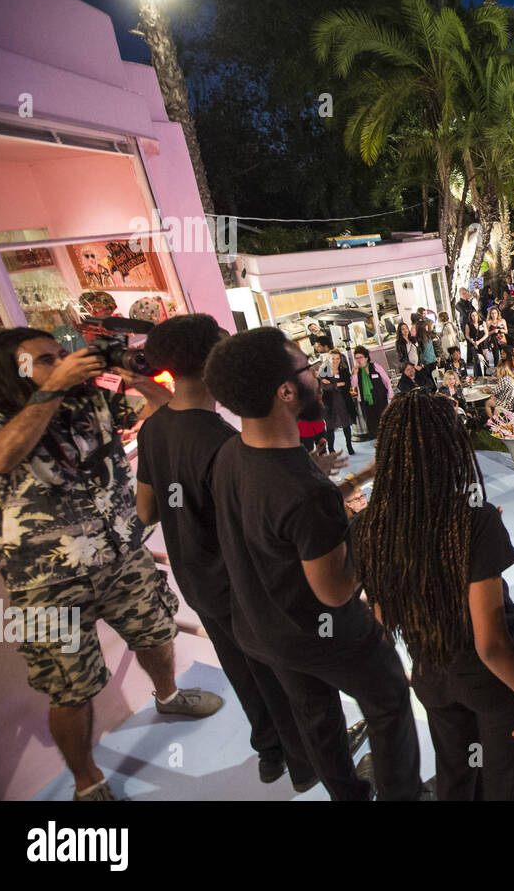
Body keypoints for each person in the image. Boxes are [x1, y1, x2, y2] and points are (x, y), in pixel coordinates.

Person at [0, 327, 221, 801]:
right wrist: (53, 386)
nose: (61, 362)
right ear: (15, 371)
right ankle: (86, 777)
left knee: (155, 631)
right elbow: (0, 457)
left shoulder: (87, 402)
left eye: (59, 355)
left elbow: (163, 408)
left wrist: (132, 374)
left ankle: (168, 697)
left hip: (120, 550)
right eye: (44, 360)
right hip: (47, 578)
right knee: (70, 685)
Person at [204, 327, 425, 800]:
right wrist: (374, 524)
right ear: (286, 391)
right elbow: (336, 589)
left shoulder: (232, 454)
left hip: (265, 630)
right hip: (326, 636)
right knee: (388, 704)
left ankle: (347, 793)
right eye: (309, 368)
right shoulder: (301, 492)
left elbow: (280, 528)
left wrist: (361, 478)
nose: (320, 376)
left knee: (316, 718)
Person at [137, 314, 328, 791]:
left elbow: (147, 510)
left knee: (244, 673)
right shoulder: (223, 443)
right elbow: (254, 524)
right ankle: (308, 765)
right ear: (211, 364)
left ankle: (270, 752)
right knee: (286, 678)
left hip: (196, 580)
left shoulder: (156, 426)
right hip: (244, 586)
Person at [352, 392, 514, 800]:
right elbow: (490, 642)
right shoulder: (475, 523)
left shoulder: (368, 529)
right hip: (493, 683)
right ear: (450, 448)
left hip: (432, 672)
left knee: (457, 772)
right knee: (504, 783)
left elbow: (382, 617)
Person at [321, 349, 357, 455]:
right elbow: (324, 387)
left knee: (346, 425)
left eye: (337, 358)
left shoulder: (344, 370)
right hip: (329, 403)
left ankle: (349, 446)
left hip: (343, 402)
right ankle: (331, 449)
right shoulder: (324, 371)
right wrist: (337, 385)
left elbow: (347, 385)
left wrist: (332, 385)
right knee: (330, 427)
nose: (335, 361)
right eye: (333, 358)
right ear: (329, 358)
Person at [352, 346, 391, 436]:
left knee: (384, 417)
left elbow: (386, 379)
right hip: (366, 400)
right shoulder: (356, 371)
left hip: (380, 397)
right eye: (356, 358)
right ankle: (377, 438)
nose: (358, 360)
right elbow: (353, 387)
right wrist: (354, 374)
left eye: (360, 357)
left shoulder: (375, 366)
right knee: (371, 420)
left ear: (366, 358)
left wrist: (390, 392)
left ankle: (387, 436)